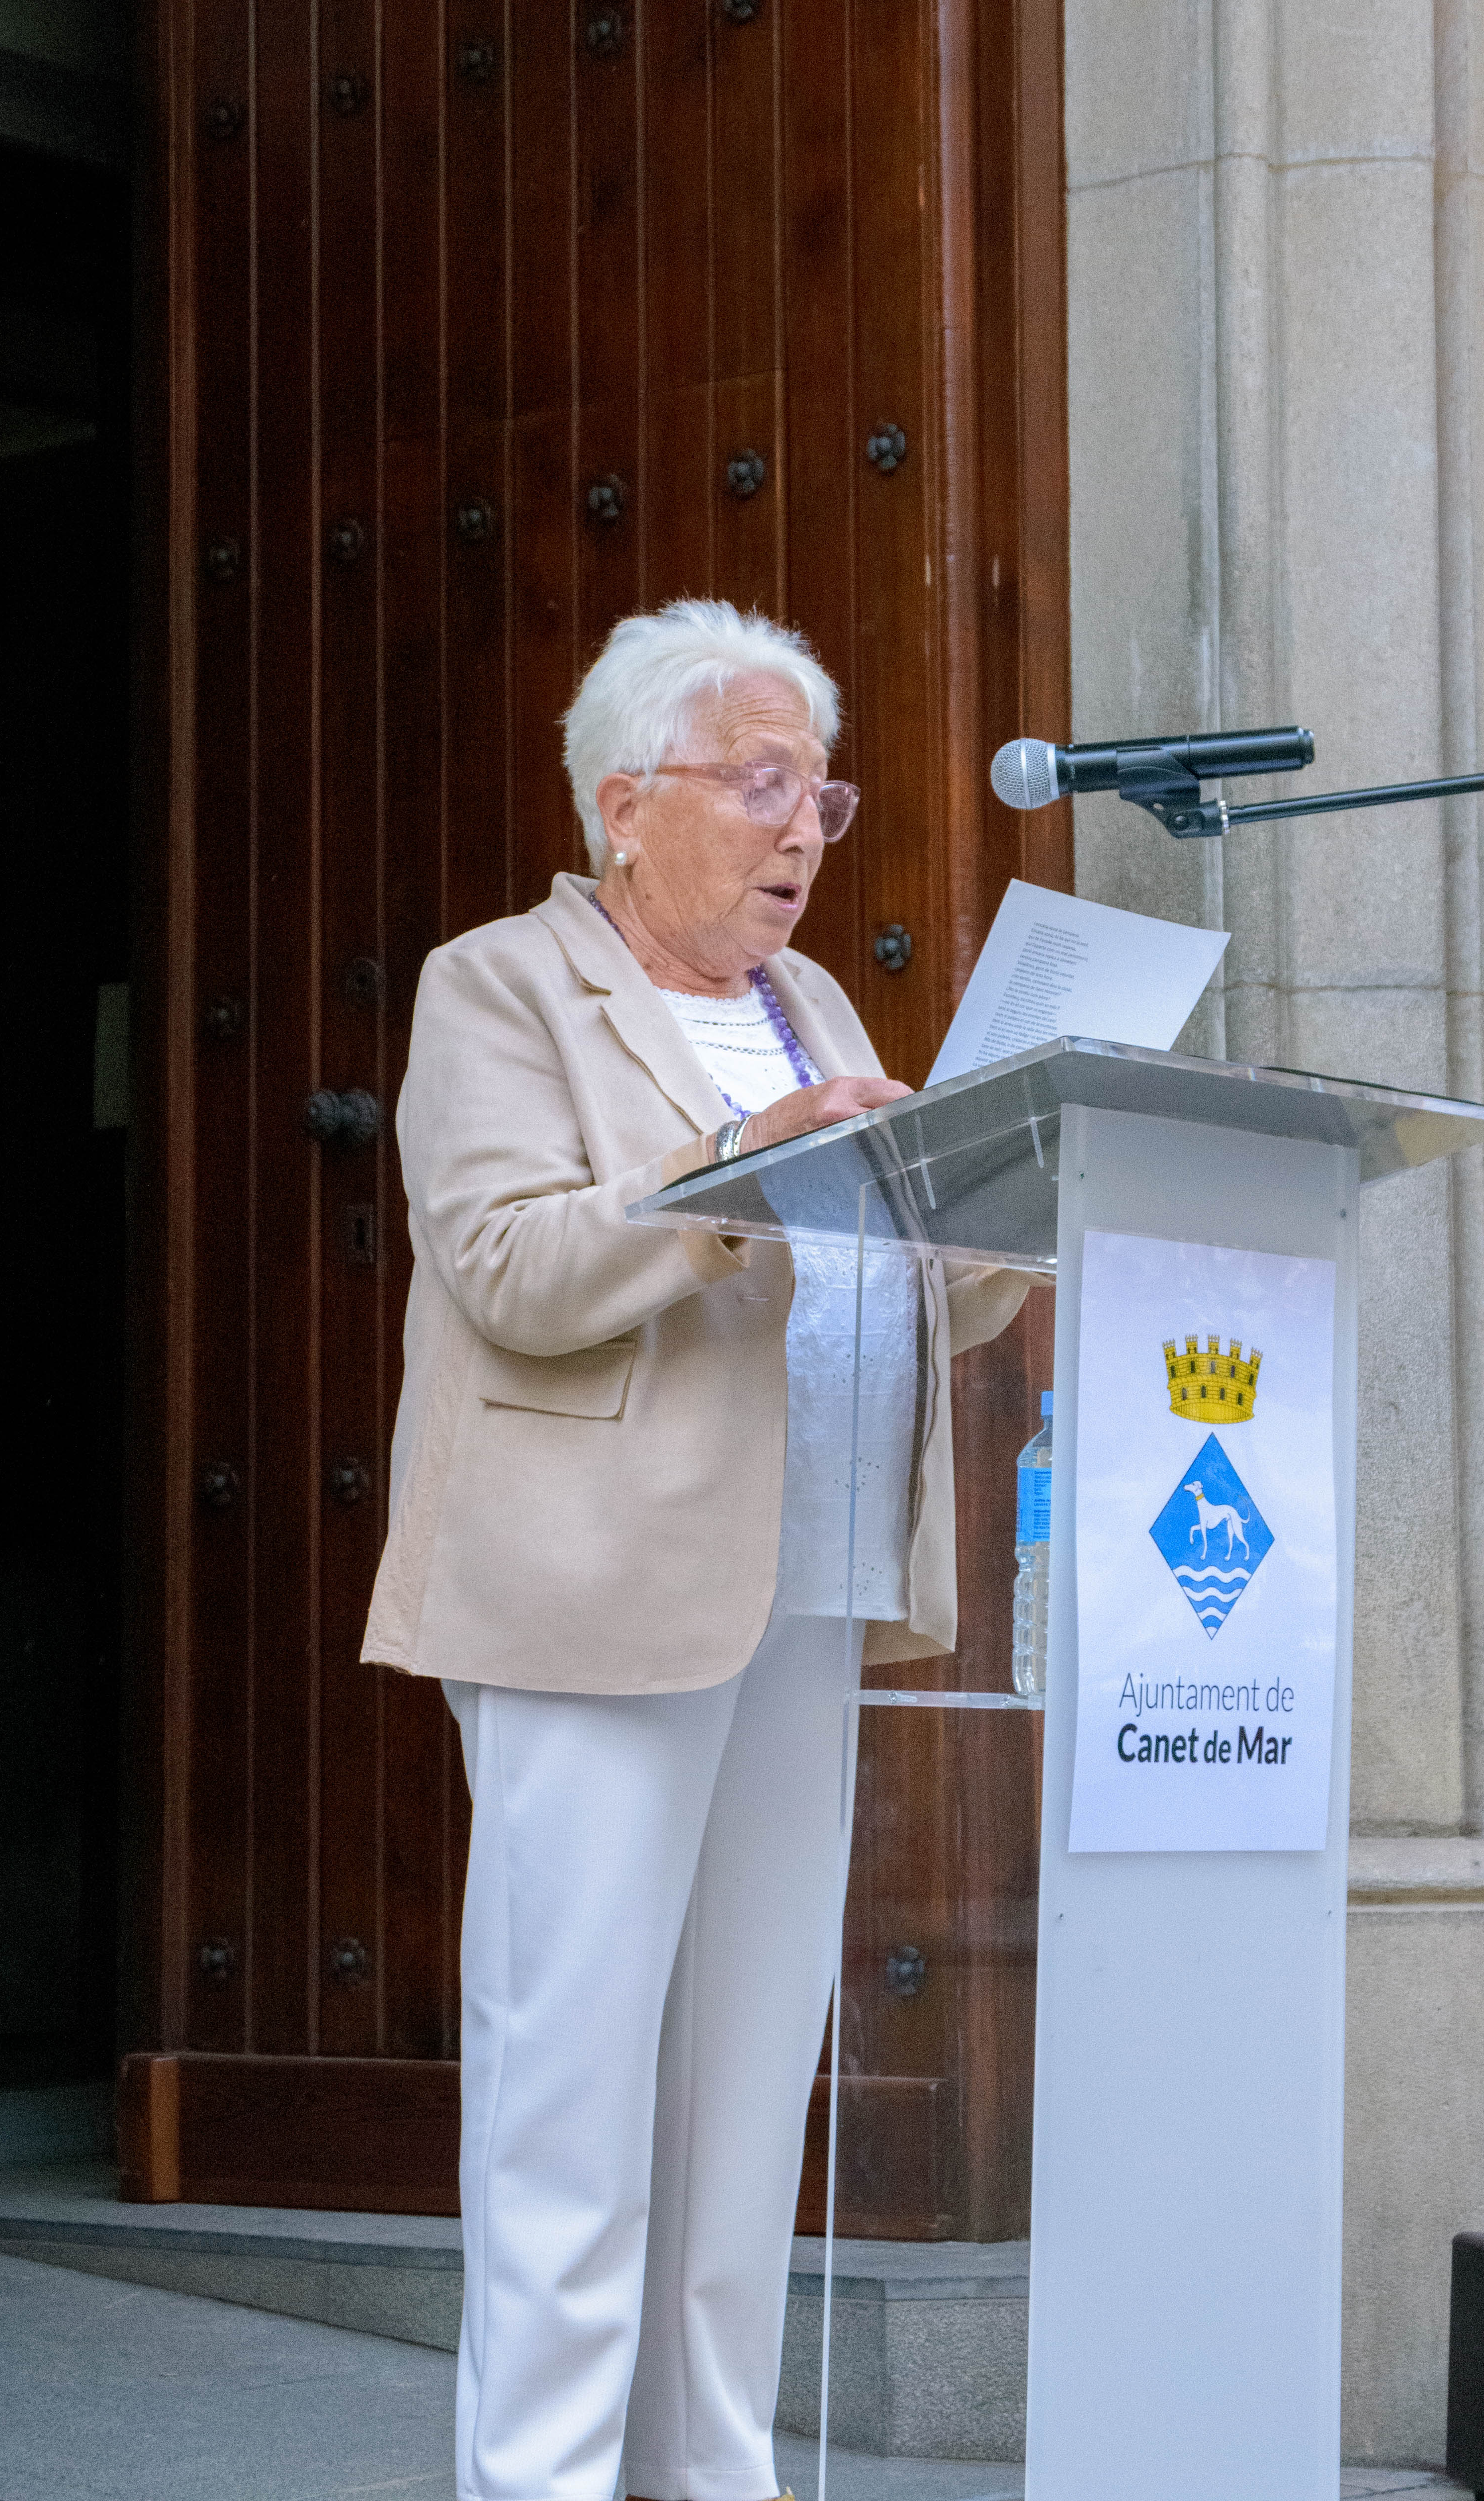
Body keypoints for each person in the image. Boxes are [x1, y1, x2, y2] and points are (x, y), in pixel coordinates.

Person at [362, 597, 1029, 2501]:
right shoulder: (498, 984)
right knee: (572, 2100)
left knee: (741, 2107)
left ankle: (710, 2478)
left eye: (819, 789)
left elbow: (921, 1288)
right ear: (624, 804)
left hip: (806, 1597)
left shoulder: (813, 1009)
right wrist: (759, 1182)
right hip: (589, 1600)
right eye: (760, 785)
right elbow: (510, 1267)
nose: (806, 827)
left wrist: (995, 1199)